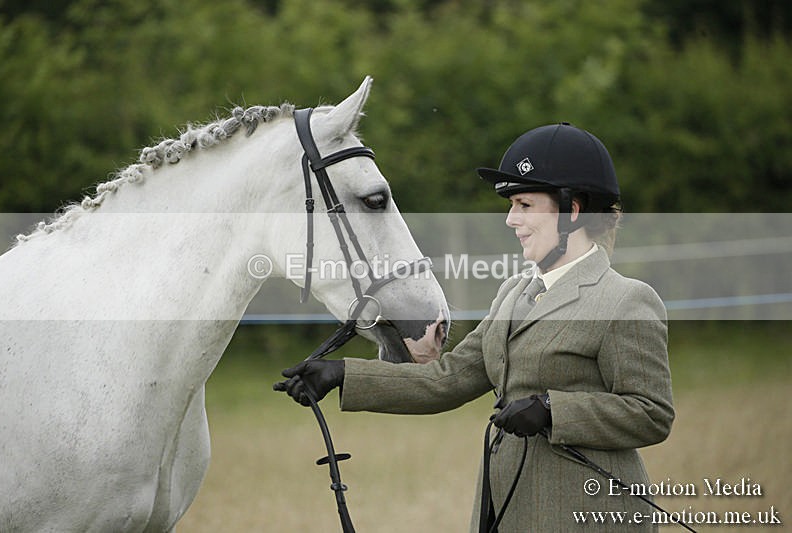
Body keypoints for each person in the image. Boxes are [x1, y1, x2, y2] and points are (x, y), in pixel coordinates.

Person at [275, 123, 675, 532]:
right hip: (505, 511)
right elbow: (445, 380)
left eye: (523, 204)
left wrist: (554, 411)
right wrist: (342, 374)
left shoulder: (625, 300)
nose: (511, 219)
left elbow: (652, 412)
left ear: (572, 211)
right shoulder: (512, 295)